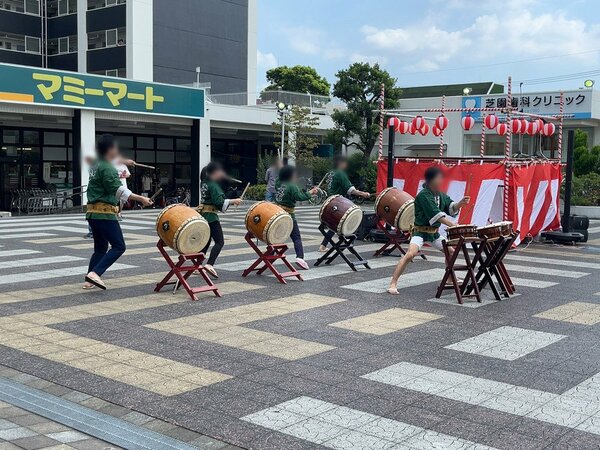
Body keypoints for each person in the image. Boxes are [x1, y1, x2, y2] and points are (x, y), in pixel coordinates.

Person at [387, 166, 470, 295]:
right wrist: (452, 224)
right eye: (439, 177)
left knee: (450, 252)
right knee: (410, 254)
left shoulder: (439, 195)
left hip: (433, 234)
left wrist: (460, 203)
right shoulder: (423, 195)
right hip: (419, 232)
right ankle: (393, 282)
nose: (441, 180)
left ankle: (449, 278)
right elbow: (435, 214)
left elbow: (450, 207)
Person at [84, 135, 153, 290]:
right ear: (110, 149)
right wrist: (141, 198)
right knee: (119, 246)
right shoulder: (107, 167)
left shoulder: (97, 164)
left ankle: (89, 279)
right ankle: (95, 274)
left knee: (100, 249)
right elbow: (118, 190)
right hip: (105, 214)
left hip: (93, 214)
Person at [198, 162, 242, 278]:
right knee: (219, 242)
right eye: (221, 171)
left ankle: (196, 265)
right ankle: (210, 264)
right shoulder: (213, 185)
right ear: (216, 172)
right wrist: (233, 201)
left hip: (203, 215)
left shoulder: (204, 182)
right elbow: (219, 203)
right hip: (211, 216)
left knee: (206, 242)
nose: (223, 173)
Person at [319, 155, 371, 252]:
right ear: (341, 163)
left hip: (330, 202)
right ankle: (349, 243)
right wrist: (363, 194)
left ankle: (323, 245)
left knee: (335, 224)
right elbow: (350, 189)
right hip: (338, 202)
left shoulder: (330, 173)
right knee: (352, 218)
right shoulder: (340, 173)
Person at [275, 165, 319, 270]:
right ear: (290, 175)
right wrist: (310, 193)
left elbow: (279, 178)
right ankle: (300, 258)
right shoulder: (292, 185)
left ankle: (270, 256)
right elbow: (299, 197)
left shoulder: (279, 184)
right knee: (296, 237)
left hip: (277, 214)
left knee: (277, 236)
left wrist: (283, 170)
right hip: (288, 215)